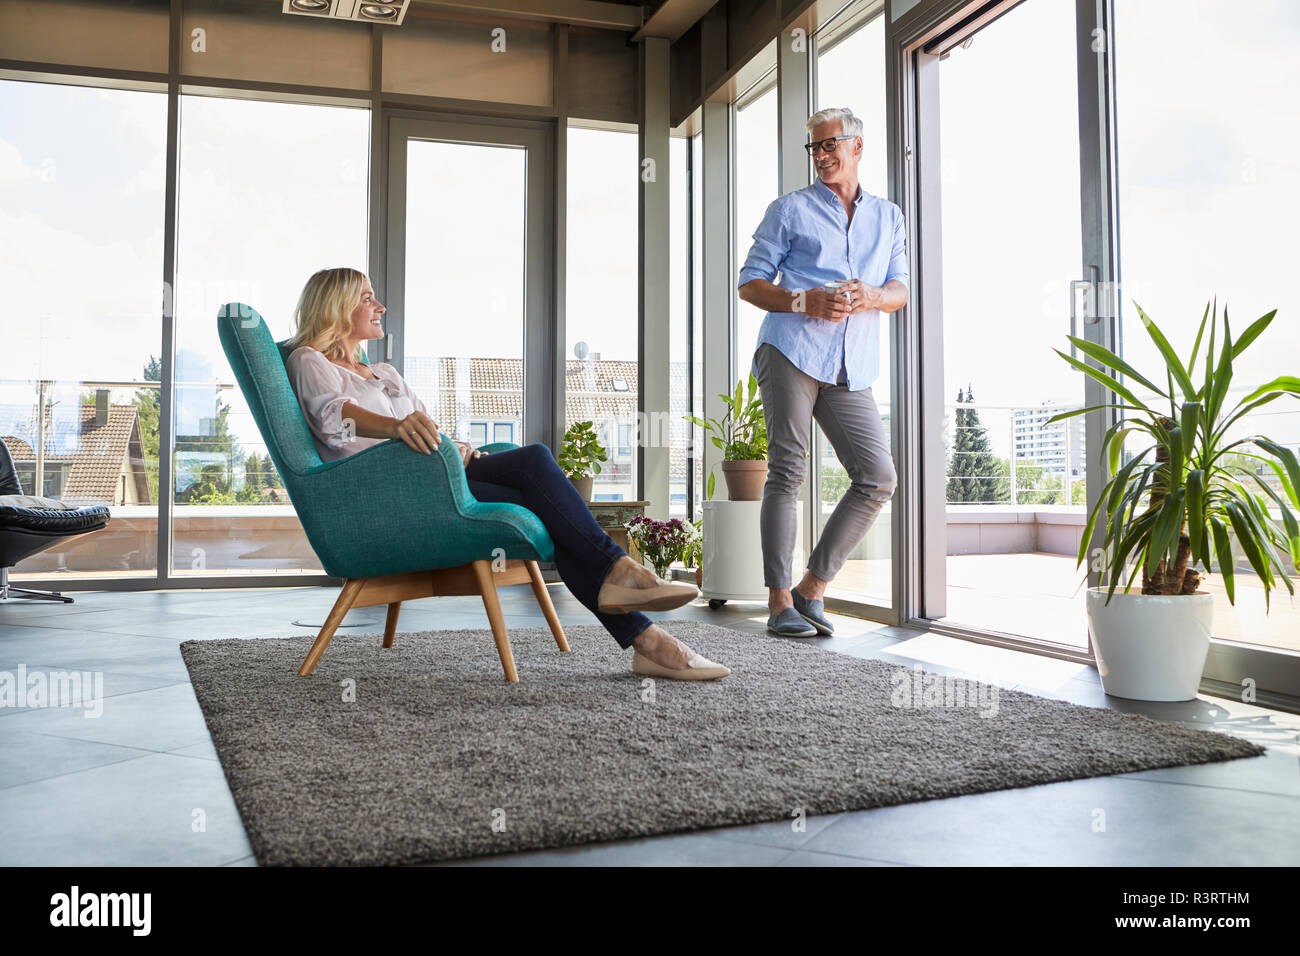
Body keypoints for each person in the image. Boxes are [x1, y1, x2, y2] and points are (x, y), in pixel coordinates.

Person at [282, 267, 729, 680]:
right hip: (393, 491)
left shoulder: (383, 371)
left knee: (544, 495)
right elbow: (332, 418)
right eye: (367, 298)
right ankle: (626, 582)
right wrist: (397, 428)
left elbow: (425, 425)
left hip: (436, 473)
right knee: (535, 461)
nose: (380, 307)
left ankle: (645, 637)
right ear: (337, 307)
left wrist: (453, 446)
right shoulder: (310, 360)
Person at [737, 107, 908, 638]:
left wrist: (875, 296)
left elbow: (900, 289)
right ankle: (779, 600)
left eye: (831, 144)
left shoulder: (889, 217)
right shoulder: (789, 210)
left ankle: (813, 590)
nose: (822, 156)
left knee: (878, 478)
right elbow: (750, 283)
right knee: (787, 470)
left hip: (850, 364)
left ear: (858, 146)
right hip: (790, 349)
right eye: (814, 148)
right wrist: (800, 299)